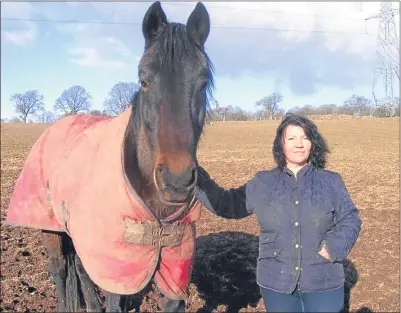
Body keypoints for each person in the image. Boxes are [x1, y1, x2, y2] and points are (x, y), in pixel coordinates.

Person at [195, 113, 361, 313]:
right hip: (277, 282)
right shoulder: (264, 182)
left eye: (305, 138)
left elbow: (350, 218)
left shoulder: (331, 181)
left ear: (313, 143)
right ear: (281, 145)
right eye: (291, 138)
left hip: (323, 279)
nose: (298, 144)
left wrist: (332, 248)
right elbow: (228, 204)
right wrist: (195, 177)